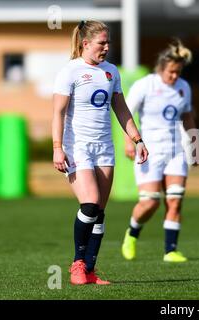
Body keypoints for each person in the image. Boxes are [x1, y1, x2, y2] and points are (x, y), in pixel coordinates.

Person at [52, 20, 148, 285]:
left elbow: (121, 108)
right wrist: (57, 148)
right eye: (101, 43)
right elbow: (58, 113)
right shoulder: (70, 71)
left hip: (104, 146)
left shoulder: (111, 71)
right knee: (91, 202)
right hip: (77, 148)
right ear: (85, 44)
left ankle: (91, 270)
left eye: (108, 42)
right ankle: (77, 265)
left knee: (100, 211)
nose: (106, 47)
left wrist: (137, 139)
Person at [121, 39, 197, 263]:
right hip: (149, 151)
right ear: (161, 68)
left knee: (175, 199)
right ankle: (132, 233)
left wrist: (197, 145)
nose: (174, 76)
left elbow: (188, 116)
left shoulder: (184, 87)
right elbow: (126, 113)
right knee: (151, 201)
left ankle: (170, 250)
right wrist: (130, 142)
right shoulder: (145, 85)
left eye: (178, 72)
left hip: (175, 151)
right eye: (171, 72)